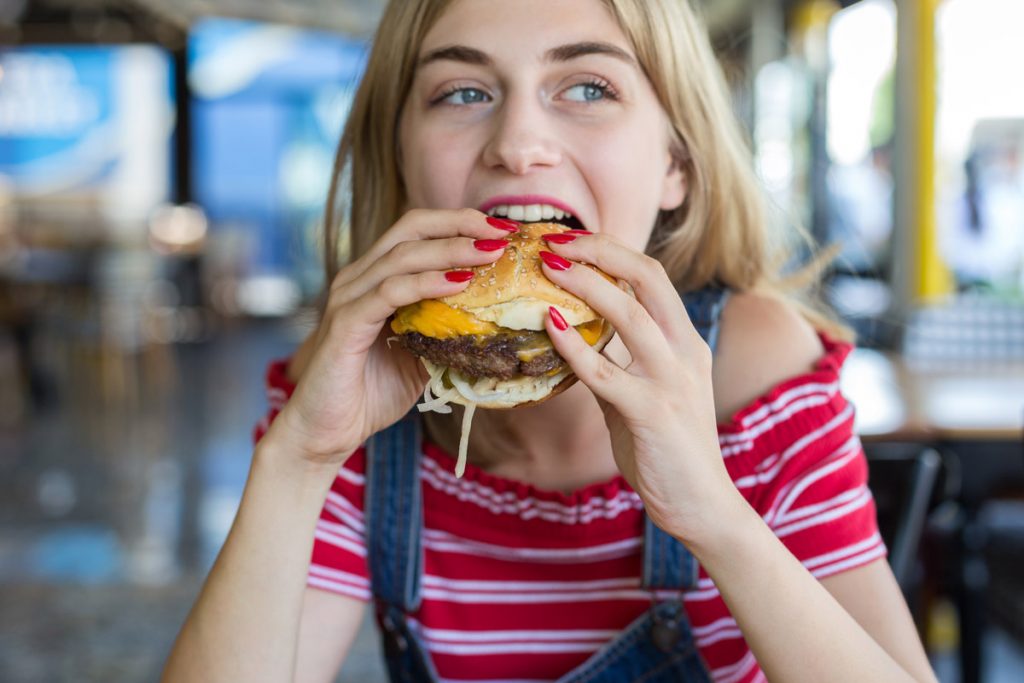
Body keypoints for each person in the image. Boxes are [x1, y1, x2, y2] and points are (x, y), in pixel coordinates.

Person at [162, 1, 938, 681]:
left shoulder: (763, 370)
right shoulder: (351, 387)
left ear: (675, 163)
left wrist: (713, 511)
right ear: (400, 160)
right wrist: (300, 457)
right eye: (462, 91)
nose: (518, 142)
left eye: (589, 87)